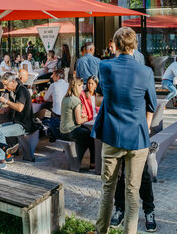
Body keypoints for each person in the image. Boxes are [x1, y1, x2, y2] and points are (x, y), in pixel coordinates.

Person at [93, 27, 157, 234]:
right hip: (138, 139)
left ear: (115, 45)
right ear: (134, 46)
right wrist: (146, 126)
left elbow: (102, 93)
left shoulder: (105, 66)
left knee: (107, 189)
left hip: (112, 136)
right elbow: (151, 105)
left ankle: (101, 230)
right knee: (132, 193)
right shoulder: (146, 72)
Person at [0, 72, 38, 161]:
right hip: (17, 122)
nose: (5, 88)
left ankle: (1, 160)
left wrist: (6, 101)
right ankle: (7, 155)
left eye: (6, 85)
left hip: (24, 125)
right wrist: (3, 110)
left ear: (13, 81)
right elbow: (13, 107)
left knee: (0, 132)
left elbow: (19, 108)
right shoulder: (13, 91)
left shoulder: (22, 91)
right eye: (4, 85)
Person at [60, 78, 97, 171]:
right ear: (77, 87)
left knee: (86, 132)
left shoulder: (66, 98)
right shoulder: (76, 101)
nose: (82, 88)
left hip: (62, 131)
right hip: (71, 131)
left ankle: (84, 160)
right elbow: (79, 121)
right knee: (91, 136)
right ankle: (93, 163)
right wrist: (85, 117)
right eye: (81, 86)